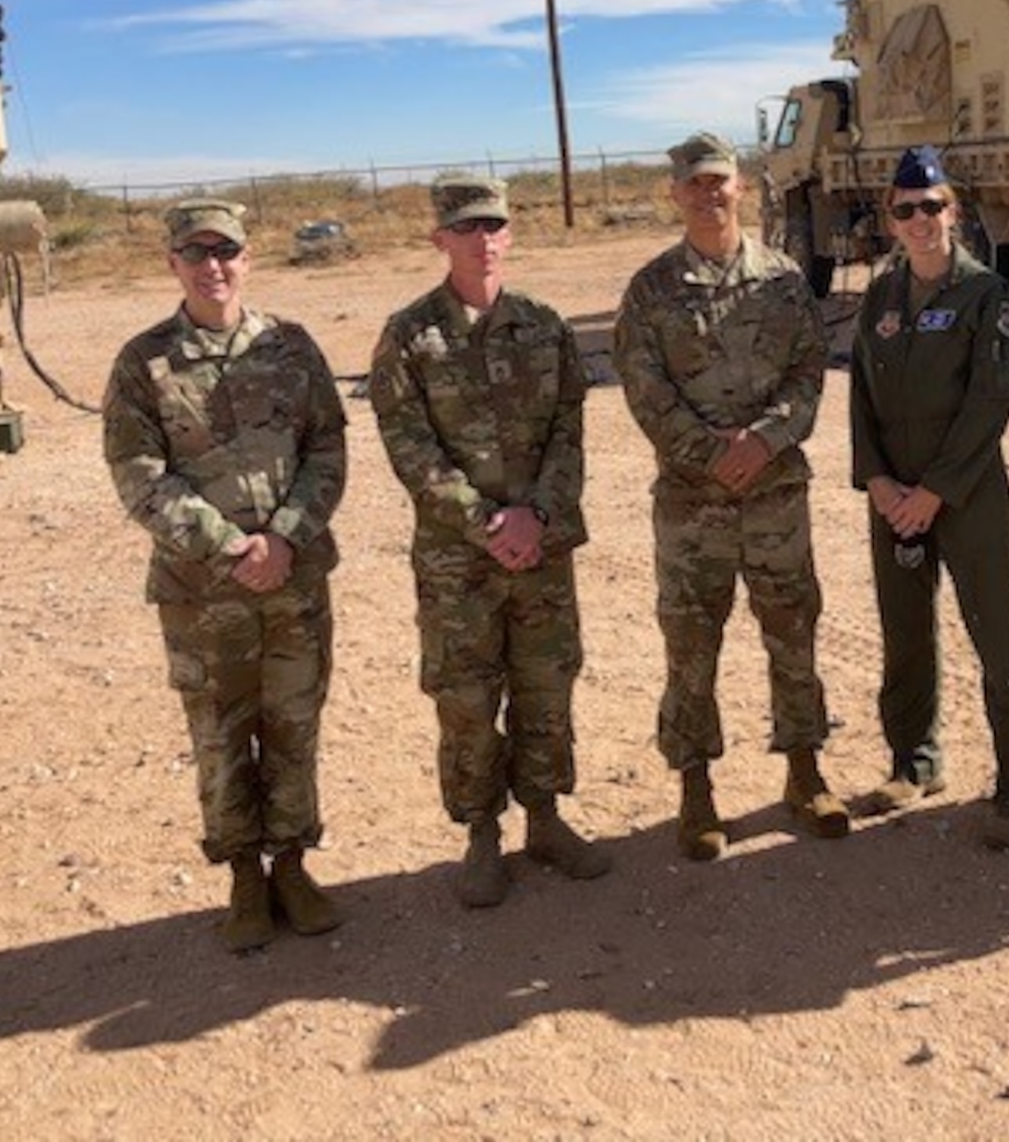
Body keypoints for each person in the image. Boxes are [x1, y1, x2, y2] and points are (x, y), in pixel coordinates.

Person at [103, 199, 348, 952]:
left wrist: (283, 538)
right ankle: (243, 872)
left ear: (248, 259)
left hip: (294, 579)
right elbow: (139, 475)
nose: (214, 266)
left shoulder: (292, 348)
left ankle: (293, 865)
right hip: (201, 591)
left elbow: (327, 451)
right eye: (196, 252)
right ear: (173, 263)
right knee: (219, 734)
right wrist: (230, 548)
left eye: (227, 251)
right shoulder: (142, 363)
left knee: (293, 726)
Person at [368, 174, 612, 907]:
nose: (483, 241)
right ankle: (481, 834)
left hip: (542, 548)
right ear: (440, 239)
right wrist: (486, 523)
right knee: (467, 697)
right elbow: (409, 448)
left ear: (509, 234)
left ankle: (544, 818)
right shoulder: (411, 336)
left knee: (545, 684)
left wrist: (537, 514)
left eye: (494, 227)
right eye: (467, 228)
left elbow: (570, 430)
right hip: (458, 560)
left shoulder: (545, 324)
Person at [613, 131, 850, 860]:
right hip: (692, 505)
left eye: (719, 180)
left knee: (793, 633)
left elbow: (809, 376)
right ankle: (696, 790)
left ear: (739, 186)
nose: (708, 193)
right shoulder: (650, 293)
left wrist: (764, 442)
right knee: (691, 645)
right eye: (694, 184)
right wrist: (714, 455)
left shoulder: (782, 280)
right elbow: (646, 394)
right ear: (675, 194)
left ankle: (805, 774)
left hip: (775, 495)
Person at [849, 146, 1009, 848]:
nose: (920, 219)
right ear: (891, 220)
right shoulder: (879, 296)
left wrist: (934, 491)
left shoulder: (985, 293)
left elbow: (989, 403)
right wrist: (876, 480)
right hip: (894, 497)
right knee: (905, 635)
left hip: (965, 495)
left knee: (1001, 634)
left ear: (953, 212)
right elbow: (861, 397)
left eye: (932, 206)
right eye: (906, 210)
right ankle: (914, 762)